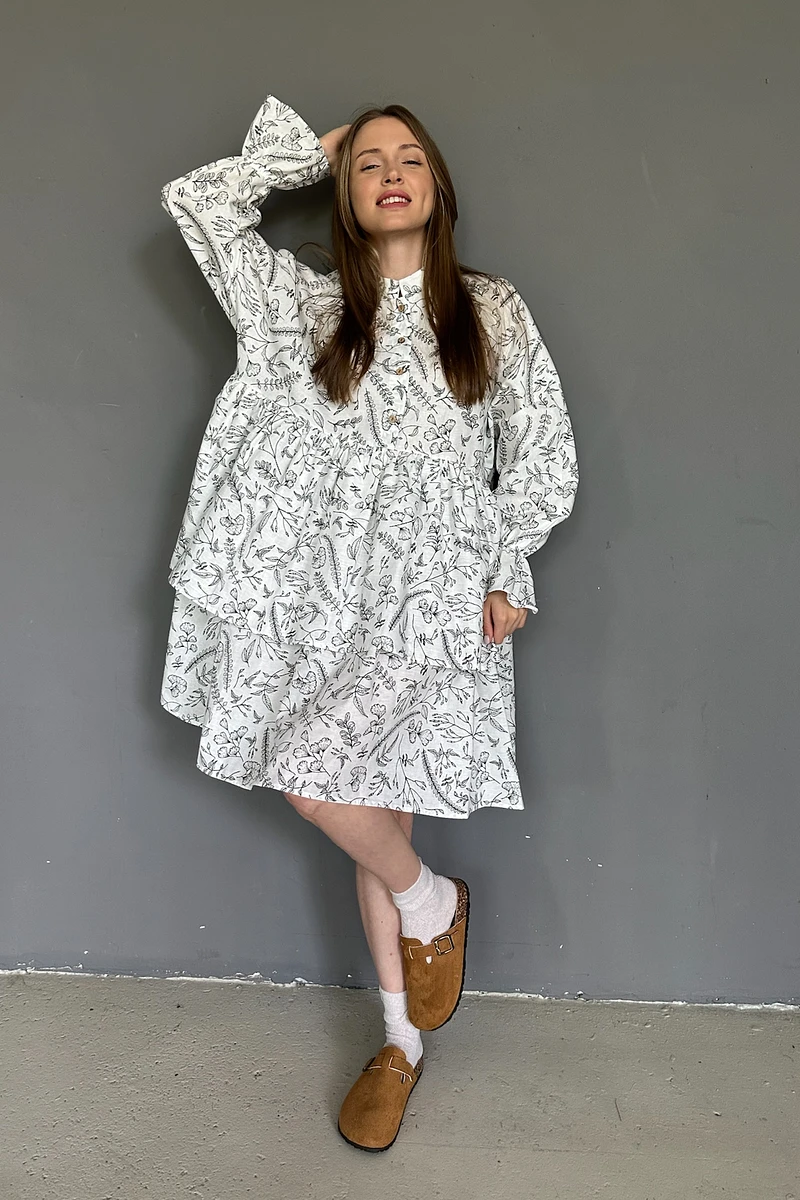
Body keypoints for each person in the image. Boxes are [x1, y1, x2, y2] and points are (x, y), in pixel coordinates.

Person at [159, 93, 578, 1152]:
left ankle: (414, 975)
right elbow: (197, 203)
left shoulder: (490, 309)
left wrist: (509, 565)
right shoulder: (296, 308)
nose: (389, 172)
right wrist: (308, 153)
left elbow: (541, 448)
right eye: (368, 164)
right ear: (344, 194)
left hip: (433, 595)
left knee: (341, 790)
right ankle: (412, 990)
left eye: (409, 158)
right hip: (318, 599)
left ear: (439, 186)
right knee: (354, 798)